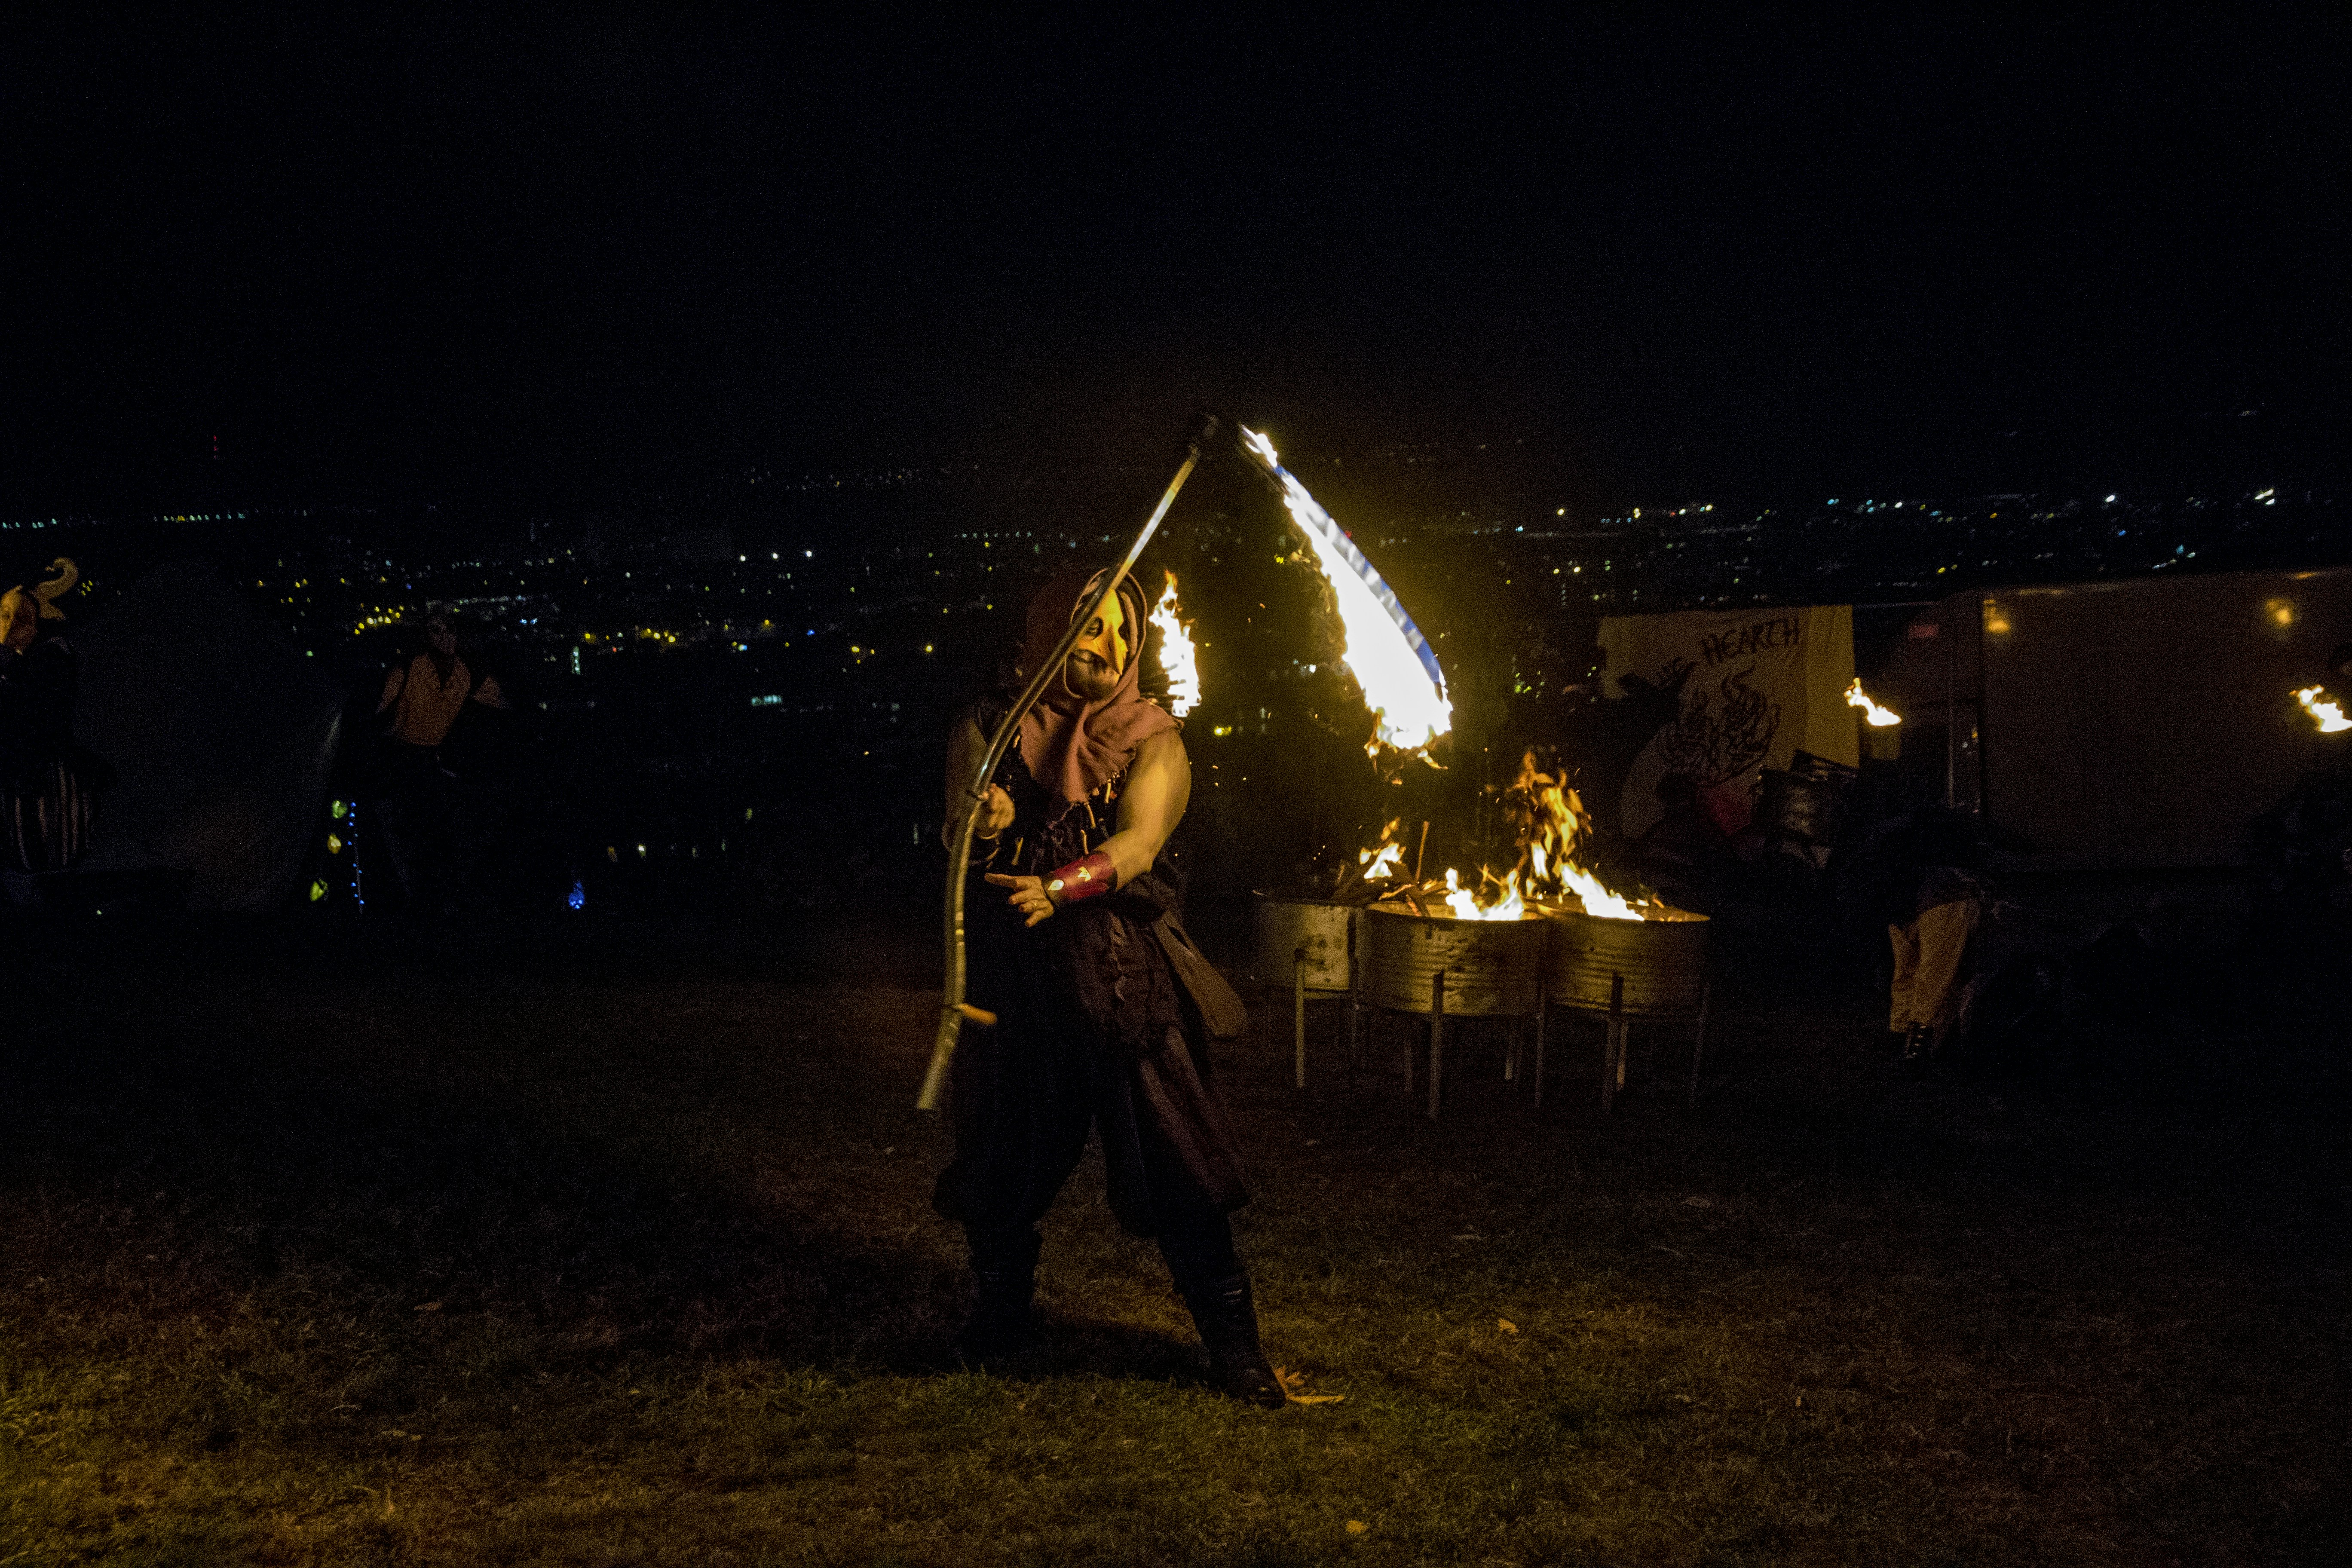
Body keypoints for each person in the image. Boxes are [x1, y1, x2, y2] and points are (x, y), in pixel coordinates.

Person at [933, 565, 1281, 1406]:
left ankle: (1234, 1346)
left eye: (1126, 632)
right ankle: (1001, 1317)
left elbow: (1141, 844)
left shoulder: (1154, 738)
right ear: (1050, 626)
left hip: (1123, 981)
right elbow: (956, 832)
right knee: (1001, 1158)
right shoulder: (988, 723)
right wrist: (983, 825)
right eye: (1091, 624)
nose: (1109, 643)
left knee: (1181, 1164)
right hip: (1015, 983)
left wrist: (1059, 886)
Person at [372, 608, 506, 913]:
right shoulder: (409, 669)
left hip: (433, 757)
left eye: (450, 632)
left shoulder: (464, 672)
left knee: (440, 831)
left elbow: (498, 699)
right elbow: (380, 709)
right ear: (426, 636)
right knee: (410, 831)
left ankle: (439, 897)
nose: (445, 638)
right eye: (437, 631)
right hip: (403, 756)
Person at [0, 560, 97, 874]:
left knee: (43, 823)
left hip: (43, 764)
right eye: (4, 616)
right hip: (27, 762)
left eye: (23, 618)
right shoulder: (20, 662)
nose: (10, 625)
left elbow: (36, 712)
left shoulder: (51, 658)